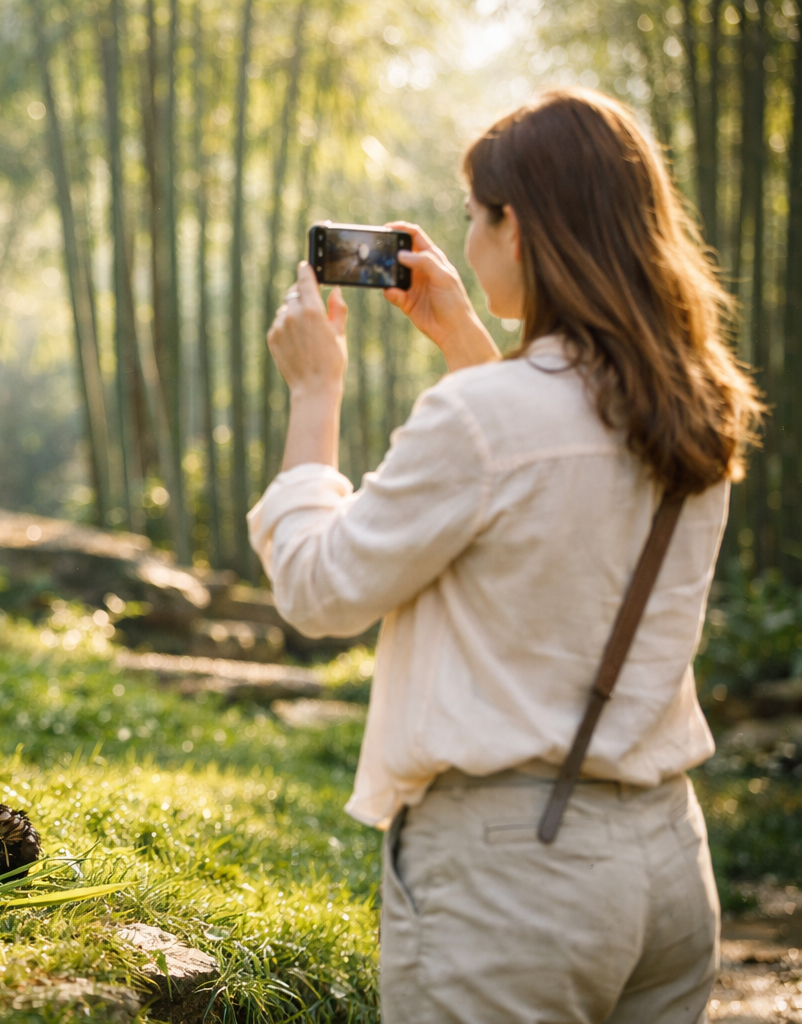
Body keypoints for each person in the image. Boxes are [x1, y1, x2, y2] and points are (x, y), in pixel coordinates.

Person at [253, 87, 762, 1022]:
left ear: (515, 227)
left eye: (473, 215)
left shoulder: (483, 420)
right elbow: (547, 500)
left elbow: (319, 590)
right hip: (668, 866)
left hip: (513, 878)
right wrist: (464, 341)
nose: (468, 239)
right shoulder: (694, 408)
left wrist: (314, 396)